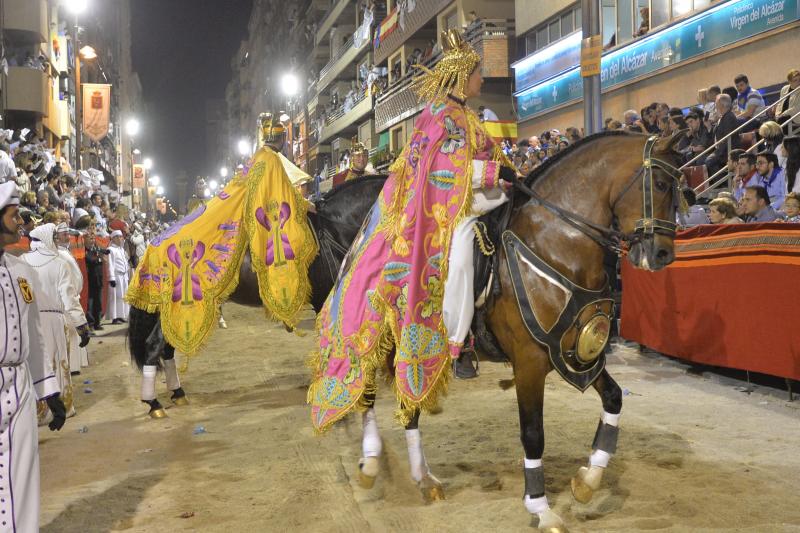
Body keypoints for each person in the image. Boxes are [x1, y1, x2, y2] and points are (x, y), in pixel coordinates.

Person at [310, 29, 517, 432]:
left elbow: (486, 158)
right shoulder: (438, 116)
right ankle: (459, 342)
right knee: (459, 259)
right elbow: (441, 170)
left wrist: (506, 173)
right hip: (444, 210)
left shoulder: (469, 118)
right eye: (477, 74)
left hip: (474, 196)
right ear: (462, 76)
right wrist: (493, 172)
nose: (482, 81)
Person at [0, 181, 66, 532]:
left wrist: (48, 391)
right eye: (12, 216)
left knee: (23, 474)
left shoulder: (22, 270)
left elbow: (36, 337)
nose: (19, 223)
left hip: (20, 385)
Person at [84, 231, 108, 331]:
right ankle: (91, 323)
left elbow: (103, 258)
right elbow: (91, 260)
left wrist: (101, 257)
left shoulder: (96, 249)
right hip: (90, 280)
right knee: (90, 303)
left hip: (98, 279)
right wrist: (100, 257)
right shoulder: (85, 250)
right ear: (85, 240)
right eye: (90, 239)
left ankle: (97, 323)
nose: (92, 241)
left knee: (98, 302)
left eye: (93, 239)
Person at [106, 229, 130, 324]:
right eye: (119, 237)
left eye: (121, 237)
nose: (121, 239)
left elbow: (125, 263)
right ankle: (114, 317)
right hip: (116, 276)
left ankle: (121, 315)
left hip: (123, 276)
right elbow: (110, 264)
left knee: (122, 297)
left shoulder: (121, 249)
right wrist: (111, 277)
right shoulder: (111, 250)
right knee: (115, 297)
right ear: (114, 238)